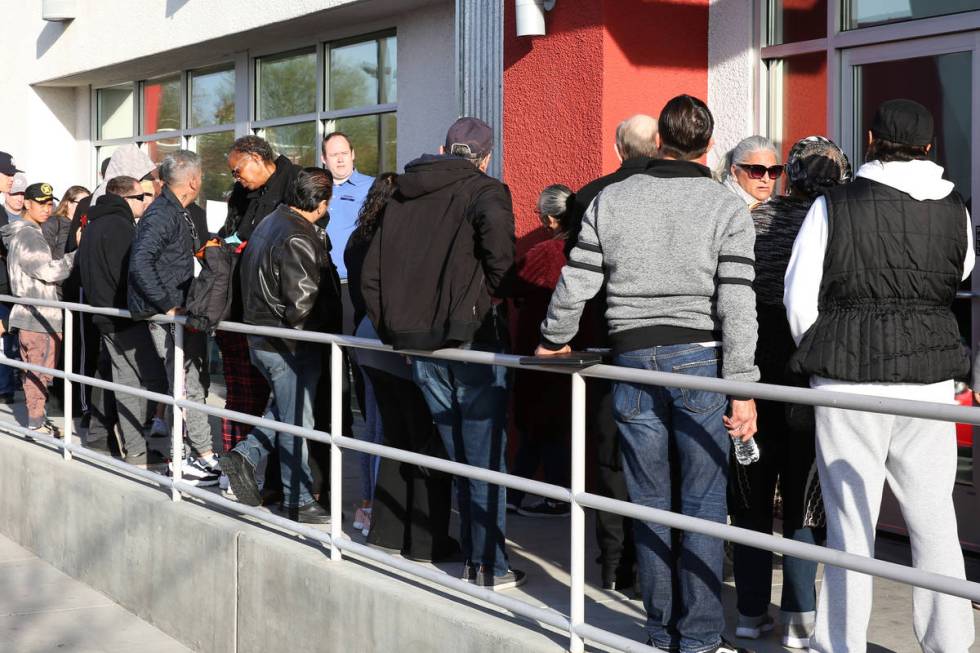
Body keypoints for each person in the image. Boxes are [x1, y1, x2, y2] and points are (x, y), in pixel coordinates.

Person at [537, 95, 759, 653]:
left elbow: (577, 279)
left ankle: (661, 630)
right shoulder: (724, 206)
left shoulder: (612, 199)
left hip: (631, 359)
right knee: (705, 504)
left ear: (660, 140)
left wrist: (553, 338)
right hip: (701, 362)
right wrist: (744, 386)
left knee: (648, 501)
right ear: (709, 146)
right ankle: (702, 636)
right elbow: (738, 302)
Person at [785, 99, 976, 652]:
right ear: (929, 146)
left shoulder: (834, 205)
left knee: (850, 525)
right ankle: (950, 642)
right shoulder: (955, 208)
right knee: (936, 520)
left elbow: (798, 299)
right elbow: (959, 273)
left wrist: (826, 349)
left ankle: (839, 644)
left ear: (870, 139)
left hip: (848, 380)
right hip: (931, 379)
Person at [362, 117, 523, 590]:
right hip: (470, 339)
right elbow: (503, 259)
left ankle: (480, 559)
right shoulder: (487, 190)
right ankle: (488, 565)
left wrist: (397, 330)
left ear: (440, 147)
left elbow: (372, 275)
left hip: (420, 345)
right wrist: (484, 303)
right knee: (483, 456)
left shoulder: (401, 194)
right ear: (486, 156)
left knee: (458, 453)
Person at [729, 136, 850, 649]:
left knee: (753, 496)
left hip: (753, 372)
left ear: (790, 175)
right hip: (810, 377)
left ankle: (750, 611)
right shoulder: (842, 224)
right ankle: (800, 615)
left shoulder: (752, 220)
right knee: (804, 498)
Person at [568, 114, 659, 591]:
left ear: (619, 148)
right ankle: (654, 565)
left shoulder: (590, 196)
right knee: (662, 456)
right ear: (658, 145)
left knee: (611, 457)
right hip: (670, 341)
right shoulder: (680, 195)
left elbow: (577, 274)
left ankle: (613, 564)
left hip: (605, 340)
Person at [221, 168, 341, 524]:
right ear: (320, 203)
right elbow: (303, 307)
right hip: (288, 343)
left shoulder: (271, 222)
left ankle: (244, 454)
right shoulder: (298, 236)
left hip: (264, 337)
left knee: (289, 413)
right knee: (295, 421)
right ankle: (298, 499)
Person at [128, 150, 219, 486]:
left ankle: (194, 454)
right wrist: (168, 305)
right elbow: (141, 263)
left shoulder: (176, 211)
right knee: (186, 386)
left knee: (190, 384)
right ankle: (195, 457)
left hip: (181, 314)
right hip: (170, 317)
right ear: (193, 181)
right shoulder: (163, 214)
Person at [216, 136, 300, 457]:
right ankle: (234, 462)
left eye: (238, 170)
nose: (236, 178)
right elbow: (229, 232)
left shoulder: (294, 182)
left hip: (275, 310)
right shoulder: (240, 194)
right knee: (242, 393)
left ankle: (267, 471)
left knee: (285, 397)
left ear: (255, 157)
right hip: (238, 307)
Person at [77, 176, 166, 469]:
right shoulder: (120, 226)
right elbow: (130, 273)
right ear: (125, 199)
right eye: (141, 197)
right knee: (156, 380)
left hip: (104, 317)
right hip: (123, 317)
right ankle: (136, 444)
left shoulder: (92, 225)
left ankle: (137, 451)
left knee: (127, 382)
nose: (145, 201)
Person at [509, 183, 580, 518]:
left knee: (539, 424)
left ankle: (527, 494)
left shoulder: (546, 253)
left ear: (551, 220)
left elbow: (509, 282)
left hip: (540, 347)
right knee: (555, 425)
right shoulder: (586, 250)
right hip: (578, 348)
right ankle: (528, 493)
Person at [343, 173, 396, 536]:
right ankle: (378, 508)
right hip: (383, 336)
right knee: (382, 428)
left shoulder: (355, 239)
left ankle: (366, 504)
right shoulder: (388, 240)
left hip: (361, 334)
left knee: (370, 424)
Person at [1, 183, 76, 436]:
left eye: (49, 203)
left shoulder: (26, 232)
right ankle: (36, 422)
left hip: (31, 314)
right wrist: (76, 256)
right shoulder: (30, 235)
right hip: (38, 316)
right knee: (38, 372)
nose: (47, 208)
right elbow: (48, 270)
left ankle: (37, 419)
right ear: (27, 204)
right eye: (41, 203)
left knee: (35, 370)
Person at [321, 131, 374, 280]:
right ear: (324, 158)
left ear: (352, 154)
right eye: (333, 155)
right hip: (320, 281)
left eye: (344, 153)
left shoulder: (372, 187)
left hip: (354, 280)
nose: (340, 159)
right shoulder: (316, 189)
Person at [719, 135, 782, 208]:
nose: (766, 179)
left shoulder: (775, 209)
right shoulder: (722, 207)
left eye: (773, 170)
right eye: (757, 170)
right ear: (735, 172)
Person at [45, 185, 89, 259]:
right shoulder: (53, 223)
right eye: (82, 203)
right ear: (68, 203)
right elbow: (46, 257)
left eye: (88, 203)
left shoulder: (86, 224)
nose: (86, 207)